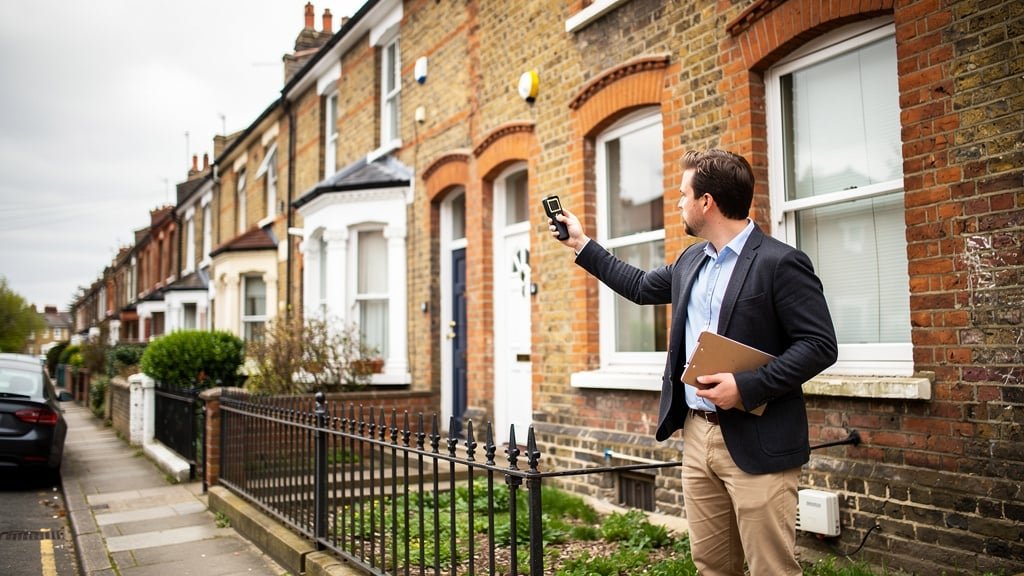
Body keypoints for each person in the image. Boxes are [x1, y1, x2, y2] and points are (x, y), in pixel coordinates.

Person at [549, 149, 838, 575]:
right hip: (697, 436)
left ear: (707, 202)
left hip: (758, 441)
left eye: (684, 194)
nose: (678, 202)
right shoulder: (692, 260)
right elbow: (642, 286)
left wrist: (748, 385)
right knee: (712, 566)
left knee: (771, 569)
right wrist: (580, 243)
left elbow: (819, 344)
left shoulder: (780, 262)